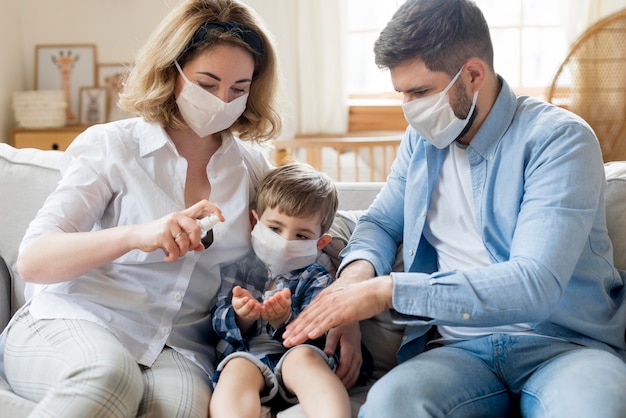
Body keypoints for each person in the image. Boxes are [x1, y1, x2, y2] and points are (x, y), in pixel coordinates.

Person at [283, 0, 626, 417]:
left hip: (564, 346)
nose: (409, 109)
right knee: (388, 406)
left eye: (421, 92)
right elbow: (380, 222)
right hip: (459, 352)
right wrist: (349, 287)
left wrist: (386, 291)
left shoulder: (558, 140)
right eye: (402, 93)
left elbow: (535, 284)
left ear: (473, 74)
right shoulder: (421, 142)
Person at [0, 0, 282, 416]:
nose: (223, 101)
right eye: (207, 84)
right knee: (109, 377)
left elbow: (304, 229)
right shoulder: (112, 146)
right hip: (77, 317)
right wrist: (137, 235)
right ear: (173, 71)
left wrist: (341, 310)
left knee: (179, 410)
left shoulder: (253, 168)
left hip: (179, 348)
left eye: (238, 89)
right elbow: (34, 260)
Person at [209, 163, 350, 418]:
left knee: (305, 359)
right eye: (275, 229)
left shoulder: (315, 277)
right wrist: (243, 315)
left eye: (301, 236)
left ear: (321, 242)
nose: (285, 241)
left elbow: (320, 332)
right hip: (248, 353)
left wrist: (283, 320)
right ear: (255, 222)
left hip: (298, 353)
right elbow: (219, 321)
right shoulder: (238, 270)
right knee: (235, 369)